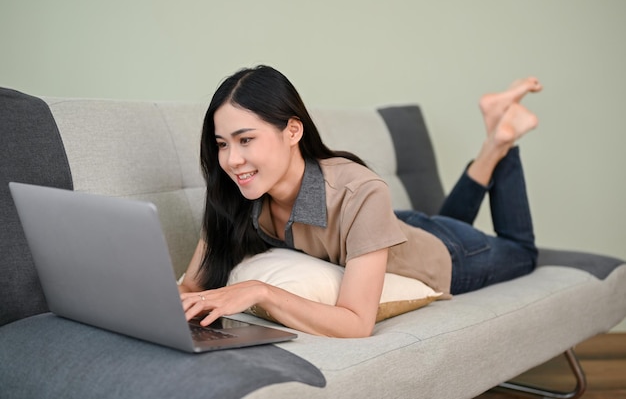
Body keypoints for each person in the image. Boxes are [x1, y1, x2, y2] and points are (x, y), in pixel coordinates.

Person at [178, 65, 543, 338]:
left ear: (292, 130)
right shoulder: (238, 193)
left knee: (522, 251)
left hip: (443, 256)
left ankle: (501, 142)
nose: (231, 160)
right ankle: (496, 134)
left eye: (245, 140)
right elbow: (192, 286)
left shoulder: (358, 190)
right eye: (222, 143)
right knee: (443, 220)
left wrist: (260, 291)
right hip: (393, 227)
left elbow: (356, 323)